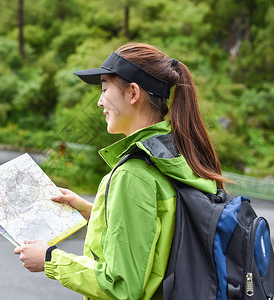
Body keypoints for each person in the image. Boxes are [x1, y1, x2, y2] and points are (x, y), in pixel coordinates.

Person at [14, 43, 227, 299]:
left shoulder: (134, 174)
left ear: (133, 93)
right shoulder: (178, 155)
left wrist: (51, 259)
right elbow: (161, 233)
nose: (99, 101)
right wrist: (93, 211)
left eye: (104, 89)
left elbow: (122, 287)